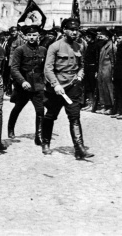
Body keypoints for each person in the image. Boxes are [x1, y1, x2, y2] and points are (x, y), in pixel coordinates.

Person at [42, 17, 94, 160]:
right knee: (51, 115)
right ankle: (45, 142)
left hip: (72, 87)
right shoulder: (55, 46)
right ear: (64, 30)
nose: (74, 32)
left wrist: (79, 76)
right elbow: (48, 68)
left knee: (74, 117)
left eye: (76, 29)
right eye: (71, 29)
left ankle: (79, 148)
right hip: (57, 88)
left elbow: (81, 65)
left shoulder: (80, 46)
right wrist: (55, 84)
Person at [8, 25, 47, 145]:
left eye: (34, 35)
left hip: (38, 84)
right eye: (29, 35)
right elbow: (14, 69)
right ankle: (10, 128)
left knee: (40, 110)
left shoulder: (43, 50)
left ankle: (38, 136)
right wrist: (22, 81)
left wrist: (45, 83)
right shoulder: (20, 50)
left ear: (38, 36)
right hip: (23, 85)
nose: (31, 37)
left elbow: (46, 68)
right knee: (18, 107)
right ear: (25, 36)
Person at [95, 29, 115, 115]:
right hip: (102, 70)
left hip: (108, 71)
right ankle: (105, 106)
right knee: (102, 88)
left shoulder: (112, 47)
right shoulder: (103, 46)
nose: (99, 38)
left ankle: (111, 107)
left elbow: (113, 61)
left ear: (107, 37)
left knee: (109, 89)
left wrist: (113, 73)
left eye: (101, 37)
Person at [81, 29, 98, 112]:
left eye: (87, 37)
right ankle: (89, 103)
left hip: (92, 68)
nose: (86, 38)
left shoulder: (95, 46)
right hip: (87, 68)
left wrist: (96, 71)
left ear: (91, 37)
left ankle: (93, 105)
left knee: (92, 87)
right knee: (88, 87)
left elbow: (97, 59)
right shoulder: (89, 45)